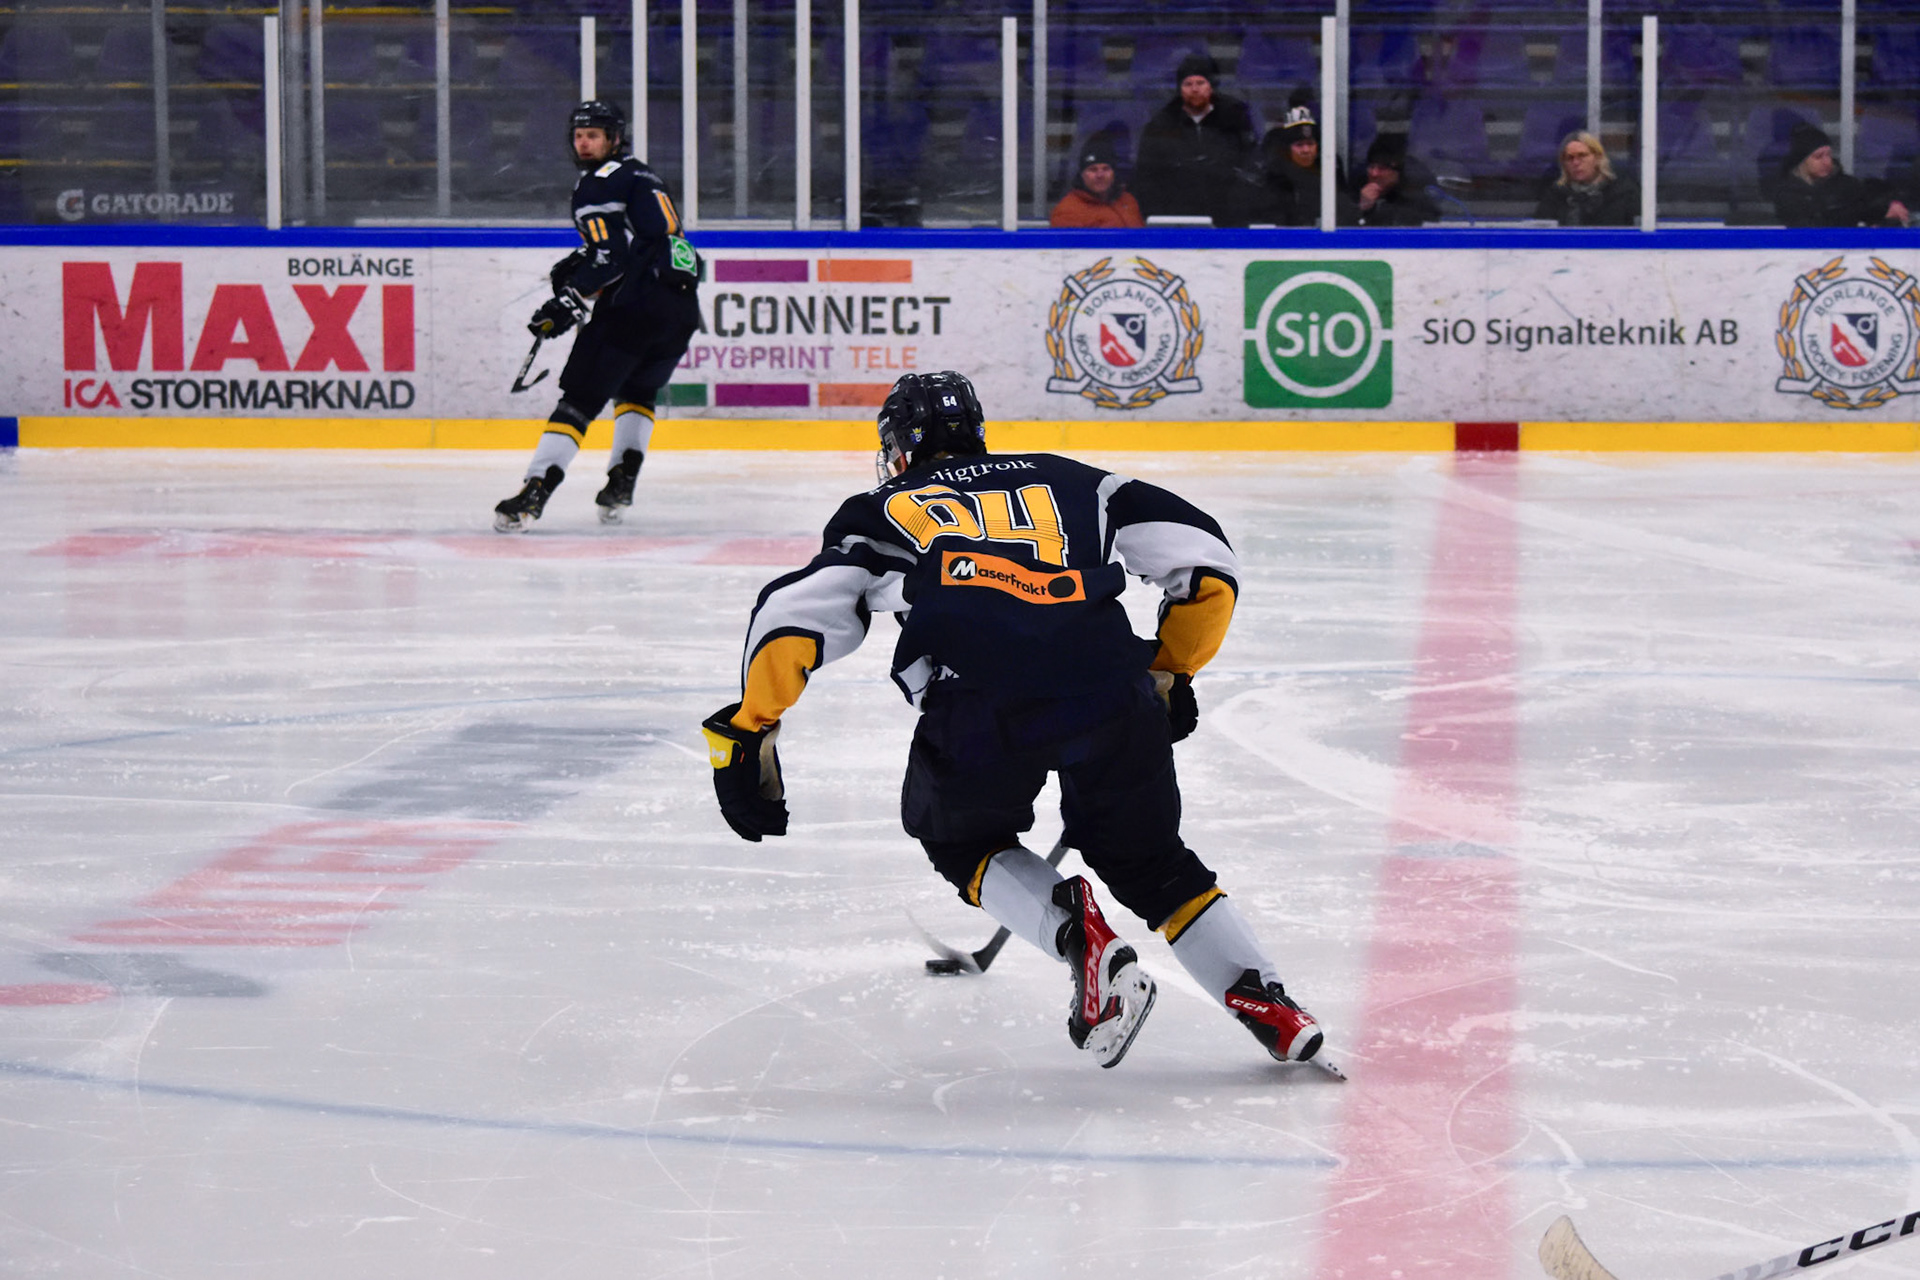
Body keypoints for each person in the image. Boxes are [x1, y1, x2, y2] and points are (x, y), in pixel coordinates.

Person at [700, 371, 1332, 1074]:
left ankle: (1080, 939)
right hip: (1111, 691)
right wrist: (1169, 668)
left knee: (961, 841)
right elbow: (1206, 563)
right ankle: (1267, 1001)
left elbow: (790, 620)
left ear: (900, 447)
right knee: (1154, 863)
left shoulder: (879, 509)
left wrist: (748, 728)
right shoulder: (1077, 480)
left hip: (981, 709)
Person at [492, 99, 704, 533]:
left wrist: (568, 300)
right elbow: (645, 243)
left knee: (580, 400)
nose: (584, 143)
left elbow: (612, 258)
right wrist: (585, 264)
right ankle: (621, 483)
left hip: (635, 306)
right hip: (681, 310)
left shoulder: (597, 183)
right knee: (637, 390)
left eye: (593, 135)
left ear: (614, 138)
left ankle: (535, 492)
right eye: (578, 135)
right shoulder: (643, 175)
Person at [1131, 52, 1257, 227]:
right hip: (1178, 220)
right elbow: (1147, 177)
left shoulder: (1235, 118)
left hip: (1228, 218)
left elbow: (1250, 164)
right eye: (1188, 84)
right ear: (1180, 88)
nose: (1195, 89)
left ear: (1211, 86)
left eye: (1200, 83)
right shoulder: (1161, 125)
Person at [1772, 123, 1912, 228]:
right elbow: (1812, 230)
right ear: (1802, 162)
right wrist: (1853, 214)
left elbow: (1867, 208)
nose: (1827, 162)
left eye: (1829, 154)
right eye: (1818, 157)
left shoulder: (1847, 185)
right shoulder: (1788, 193)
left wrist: (1886, 209)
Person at [1253, 98, 1356, 227]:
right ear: (1287, 149)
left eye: (1310, 144)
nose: (1306, 150)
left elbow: (1344, 210)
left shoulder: (1329, 169)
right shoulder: (1274, 175)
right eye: (1299, 145)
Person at [1534, 131, 1640, 227]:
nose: (1576, 163)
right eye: (1569, 158)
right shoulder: (1556, 195)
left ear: (1597, 157)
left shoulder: (1624, 192)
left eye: (1582, 155)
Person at [1049, 135, 1144, 229]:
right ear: (1082, 175)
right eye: (1093, 169)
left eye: (1106, 169)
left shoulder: (1128, 201)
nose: (1100, 175)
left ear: (1114, 173)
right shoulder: (1067, 211)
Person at [1352, 135, 1441, 227]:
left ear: (1398, 172)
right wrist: (1364, 208)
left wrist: (1382, 209)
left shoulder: (1417, 190)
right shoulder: (1358, 183)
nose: (1374, 174)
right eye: (1371, 167)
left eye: (1382, 168)